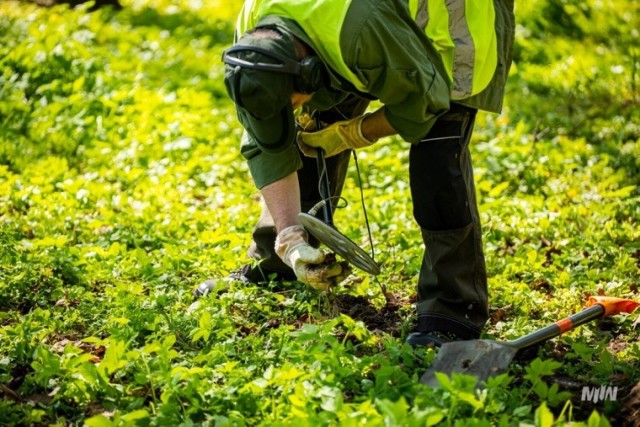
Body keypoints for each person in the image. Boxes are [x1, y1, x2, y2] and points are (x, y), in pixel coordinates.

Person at [197, 0, 515, 347]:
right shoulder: (253, 41)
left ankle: (452, 311)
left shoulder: (363, 32)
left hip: (448, 25)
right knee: (307, 129)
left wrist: (354, 132)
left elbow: (425, 101)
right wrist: (290, 238)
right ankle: (279, 267)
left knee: (437, 163)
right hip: (349, 33)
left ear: (309, 71)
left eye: (292, 98)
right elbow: (269, 148)